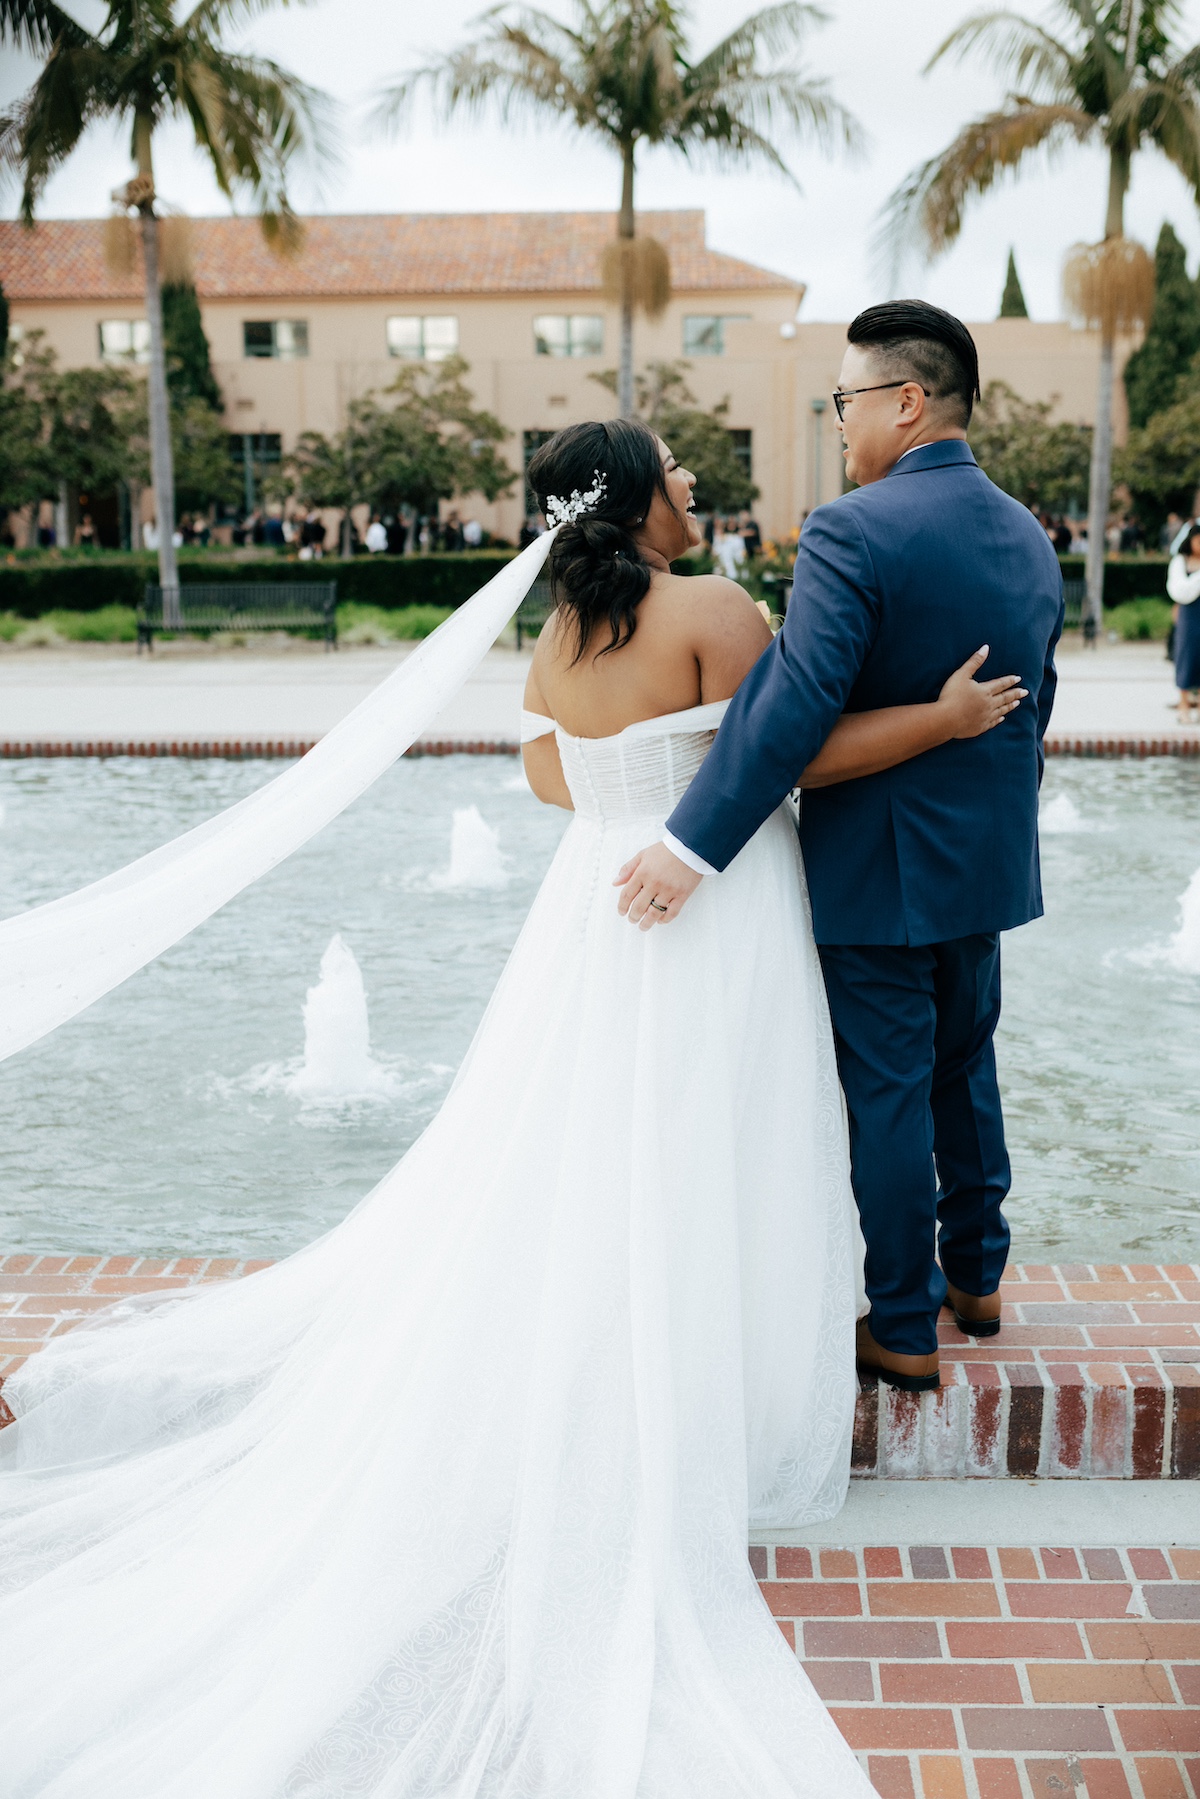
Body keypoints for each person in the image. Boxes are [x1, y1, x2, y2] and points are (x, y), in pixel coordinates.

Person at [0, 413, 1025, 1795]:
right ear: (639, 496)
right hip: (714, 916)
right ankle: (727, 1362)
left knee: (601, 1148)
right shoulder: (714, 607)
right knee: (734, 1139)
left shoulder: (553, 639)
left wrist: (641, 785)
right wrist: (946, 719)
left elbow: (553, 781)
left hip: (590, 925)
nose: (691, 484)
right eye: (676, 469)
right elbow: (788, 753)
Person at [616, 301, 1062, 1395]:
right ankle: (981, 1278)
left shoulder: (853, 527)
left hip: (879, 865)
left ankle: (904, 1322)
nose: (837, 423)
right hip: (986, 859)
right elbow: (1037, 702)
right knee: (968, 1066)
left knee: (889, 1094)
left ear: (907, 402)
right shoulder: (1028, 531)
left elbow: (795, 706)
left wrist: (690, 845)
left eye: (844, 401)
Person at [1167, 523, 1200, 722]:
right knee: (1186, 657)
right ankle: (1184, 705)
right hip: (1188, 616)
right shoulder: (1180, 562)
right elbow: (1180, 590)